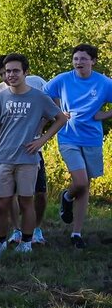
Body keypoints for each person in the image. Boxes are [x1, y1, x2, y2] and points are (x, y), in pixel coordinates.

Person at [0, 53, 67, 257]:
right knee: (2, 203)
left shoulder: (39, 97)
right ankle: (0, 243)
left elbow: (60, 118)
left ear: (25, 72)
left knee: (26, 201)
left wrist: (42, 140)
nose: (11, 75)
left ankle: (27, 242)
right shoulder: (0, 97)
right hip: (4, 157)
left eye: (15, 71)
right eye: (8, 71)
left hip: (28, 159)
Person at [44, 44, 112, 248]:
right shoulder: (64, 79)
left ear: (93, 61)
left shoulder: (104, 82)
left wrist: (104, 115)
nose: (79, 62)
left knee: (85, 187)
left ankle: (76, 233)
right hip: (68, 137)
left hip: (91, 138)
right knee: (80, 182)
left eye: (83, 59)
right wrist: (58, 111)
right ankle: (66, 197)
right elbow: (45, 92)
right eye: (76, 59)